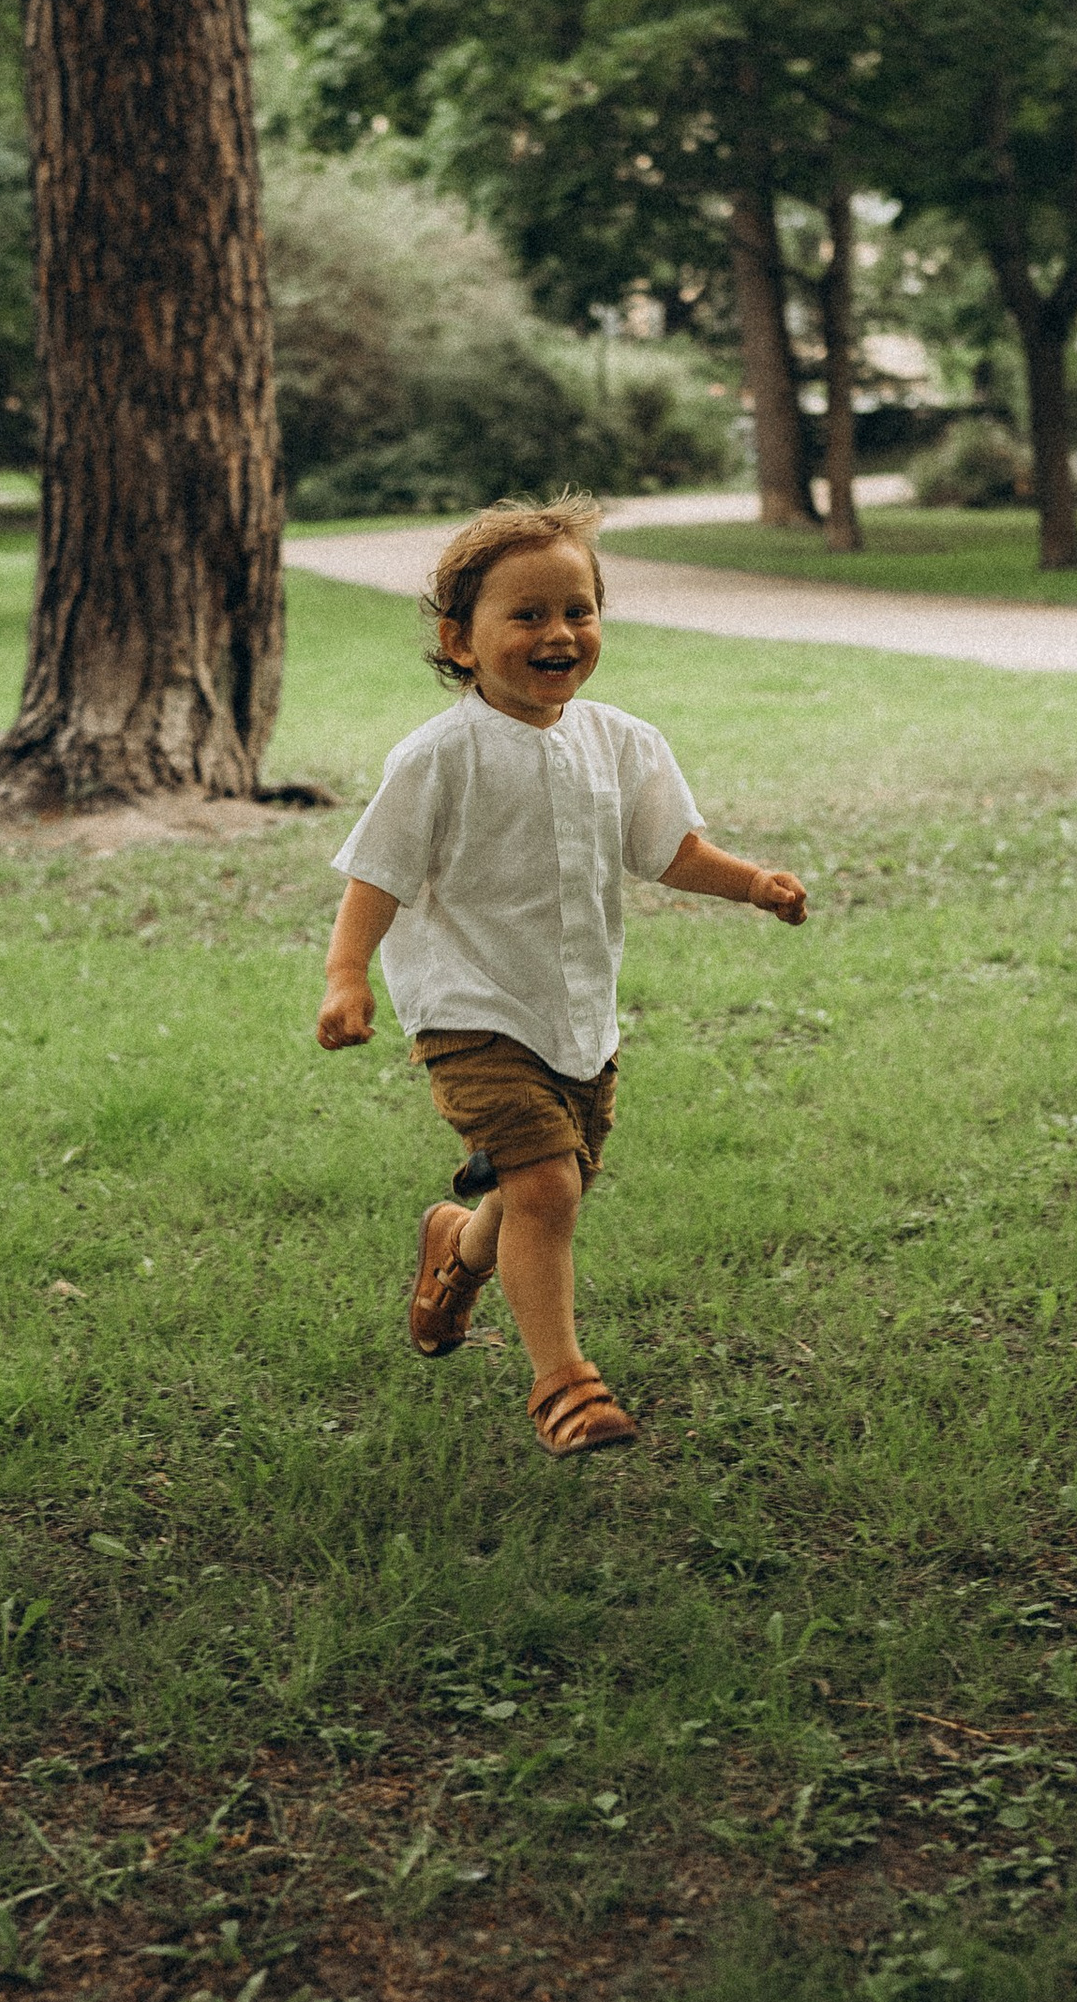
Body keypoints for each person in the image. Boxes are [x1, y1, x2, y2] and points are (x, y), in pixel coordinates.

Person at [316, 497, 809, 1457]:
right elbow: (375, 874)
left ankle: (455, 1256)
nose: (560, 633)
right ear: (459, 642)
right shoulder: (437, 757)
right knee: (547, 1189)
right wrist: (347, 977)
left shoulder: (622, 742)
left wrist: (751, 884)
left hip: (578, 1015)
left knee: (541, 1182)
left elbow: (666, 849)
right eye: (528, 615)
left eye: (578, 610)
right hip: (471, 1009)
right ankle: (563, 1385)